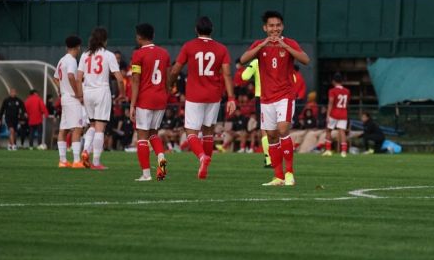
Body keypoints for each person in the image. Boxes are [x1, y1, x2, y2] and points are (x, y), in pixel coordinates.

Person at [240, 10, 310, 186]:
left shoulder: (289, 43)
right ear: (265, 28)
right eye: (271, 26)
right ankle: (278, 176)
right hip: (266, 99)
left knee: (283, 130)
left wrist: (285, 46)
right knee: (271, 136)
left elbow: (306, 60)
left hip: (285, 96)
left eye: (278, 25)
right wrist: (262, 45)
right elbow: (243, 60)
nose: (275, 29)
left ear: (282, 26)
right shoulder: (259, 44)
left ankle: (289, 174)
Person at [168, 16, 236, 180]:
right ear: (211, 30)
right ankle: (205, 164)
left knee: (191, 132)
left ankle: (201, 158)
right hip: (214, 95)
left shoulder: (189, 46)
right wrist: (231, 97)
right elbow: (226, 73)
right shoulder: (221, 49)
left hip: (194, 95)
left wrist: (169, 84)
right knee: (208, 132)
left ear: (196, 30)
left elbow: (176, 69)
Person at [77, 27, 126, 170]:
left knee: (92, 125)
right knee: (100, 127)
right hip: (101, 91)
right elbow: (119, 78)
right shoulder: (108, 55)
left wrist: (80, 95)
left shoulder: (85, 55)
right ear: (104, 40)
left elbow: (78, 77)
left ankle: (85, 150)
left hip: (87, 92)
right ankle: (96, 162)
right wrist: (122, 94)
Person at [129, 23, 171, 181]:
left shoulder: (138, 55)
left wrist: (132, 104)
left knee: (142, 136)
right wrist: (165, 94)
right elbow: (168, 78)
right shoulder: (164, 53)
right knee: (154, 133)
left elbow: (135, 80)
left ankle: (146, 174)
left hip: (145, 99)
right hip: (160, 98)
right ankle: (161, 160)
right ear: (152, 35)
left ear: (139, 37)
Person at [54, 36, 85, 167]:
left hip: (64, 97)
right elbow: (71, 76)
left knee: (64, 129)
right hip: (72, 98)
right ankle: (77, 160)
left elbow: (55, 78)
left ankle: (62, 160)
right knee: (77, 128)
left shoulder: (62, 60)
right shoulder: (72, 60)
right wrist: (77, 93)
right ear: (78, 46)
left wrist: (62, 90)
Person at [322, 73, 351, 157]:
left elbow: (331, 102)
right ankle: (344, 152)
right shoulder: (347, 91)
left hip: (334, 113)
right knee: (342, 132)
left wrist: (327, 115)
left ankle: (328, 150)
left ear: (333, 81)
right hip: (343, 113)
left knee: (328, 130)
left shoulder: (332, 91)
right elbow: (347, 103)